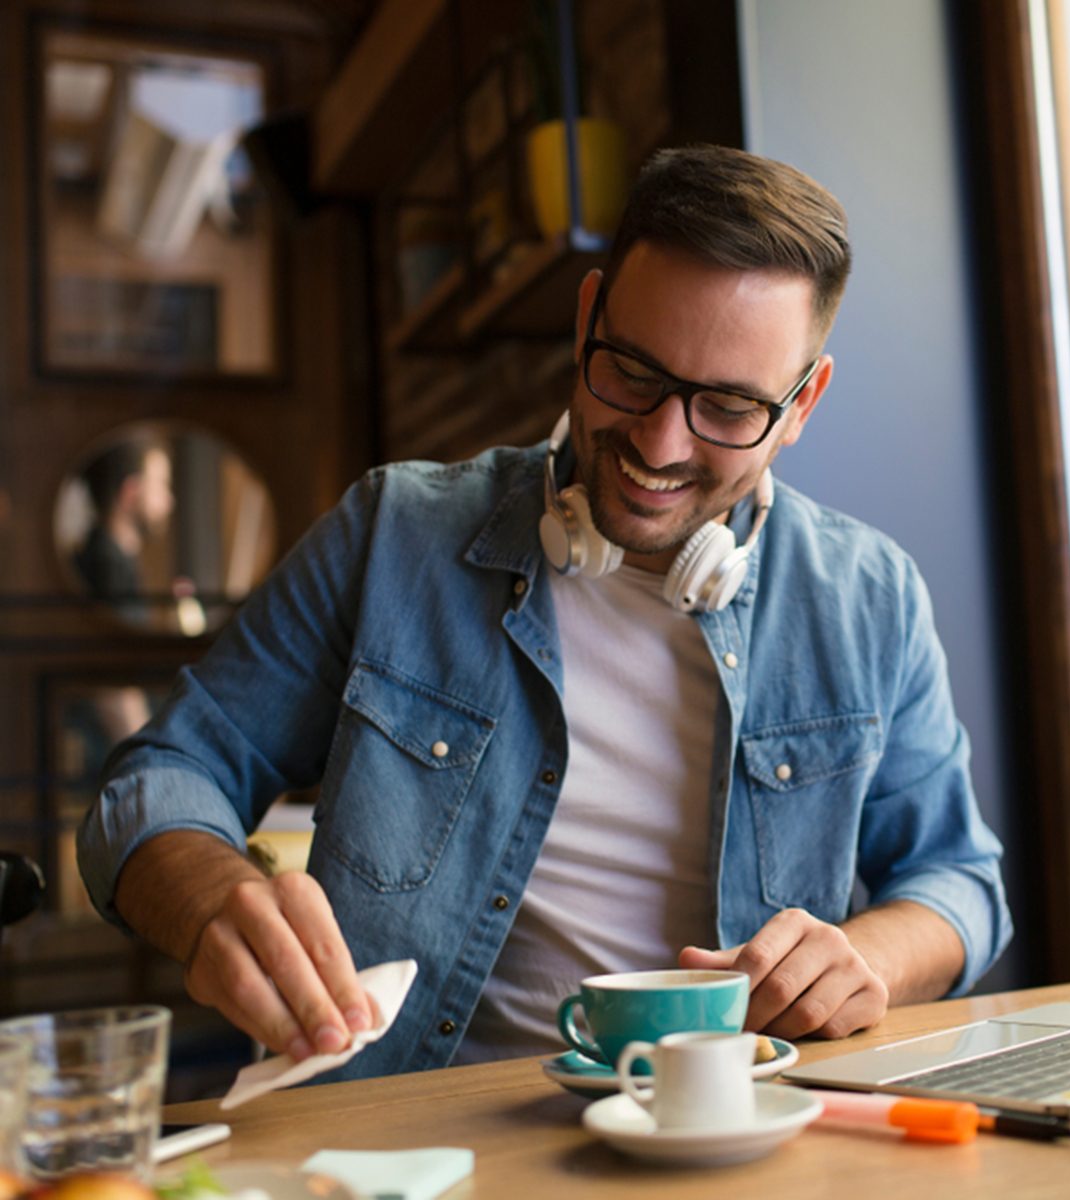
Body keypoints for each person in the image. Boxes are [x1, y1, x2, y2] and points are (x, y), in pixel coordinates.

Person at [78, 145, 1011, 1080]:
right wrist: (211, 895)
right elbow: (159, 779)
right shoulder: (392, 535)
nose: (658, 440)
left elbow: (962, 884)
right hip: (414, 1140)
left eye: (726, 407)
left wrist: (868, 961)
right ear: (586, 321)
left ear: (802, 403)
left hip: (735, 1133)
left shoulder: (871, 598)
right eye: (633, 372)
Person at [72, 439, 175, 603]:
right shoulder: (109, 573)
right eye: (161, 485)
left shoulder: (108, 561)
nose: (169, 500)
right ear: (130, 493)